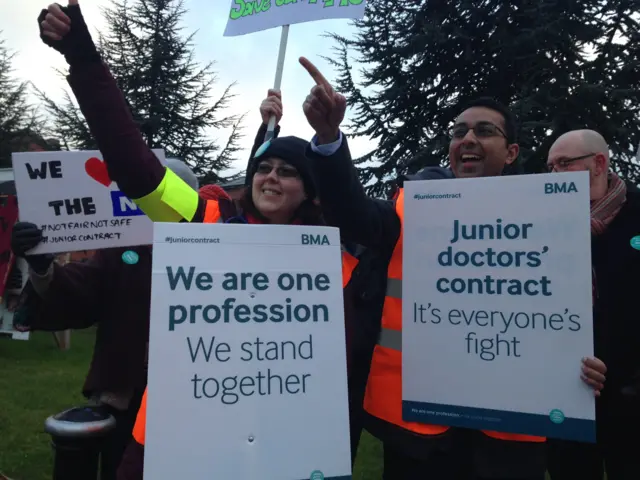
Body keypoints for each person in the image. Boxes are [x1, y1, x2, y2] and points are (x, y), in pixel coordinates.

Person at [35, 3, 361, 477]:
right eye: (262, 169)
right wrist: (84, 61)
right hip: (178, 436)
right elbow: (136, 168)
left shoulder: (331, 258)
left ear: (309, 193)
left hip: (276, 441)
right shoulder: (203, 219)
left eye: (287, 172)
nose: (270, 178)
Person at [298, 56, 608, 479]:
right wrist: (330, 137)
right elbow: (351, 213)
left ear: (511, 152)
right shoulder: (410, 208)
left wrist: (591, 361)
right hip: (418, 434)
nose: (468, 139)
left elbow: (579, 313)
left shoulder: (552, 219)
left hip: (511, 434)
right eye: (458, 131)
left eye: (484, 131)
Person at [10, 159, 199, 480]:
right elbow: (80, 291)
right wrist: (41, 265)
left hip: (195, 396)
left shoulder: (215, 253)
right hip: (127, 399)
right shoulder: (122, 250)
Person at [545, 129, 640, 480]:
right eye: (550, 166)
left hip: (630, 404)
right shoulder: (543, 226)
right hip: (566, 400)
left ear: (599, 164)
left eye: (564, 164)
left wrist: (617, 367)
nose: (554, 174)